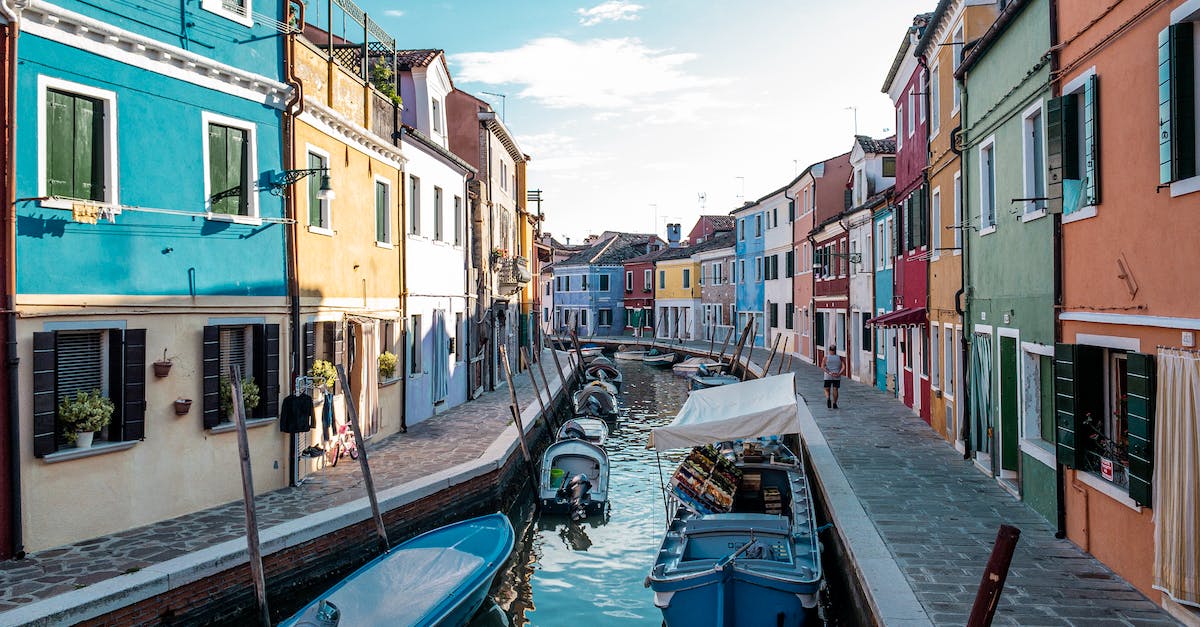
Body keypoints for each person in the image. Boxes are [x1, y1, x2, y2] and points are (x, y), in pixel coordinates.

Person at [821, 344, 844, 408]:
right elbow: (843, 367)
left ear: (829, 350)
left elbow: (822, 366)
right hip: (837, 375)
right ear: (835, 350)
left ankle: (828, 398)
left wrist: (829, 372)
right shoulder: (839, 357)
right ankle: (834, 403)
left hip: (828, 376)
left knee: (826, 389)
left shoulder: (826, 357)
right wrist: (839, 373)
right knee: (835, 389)